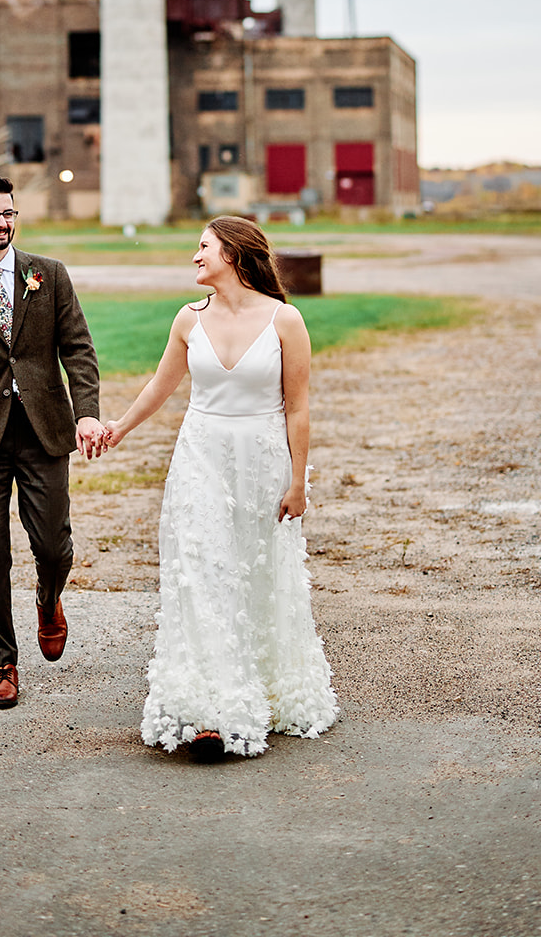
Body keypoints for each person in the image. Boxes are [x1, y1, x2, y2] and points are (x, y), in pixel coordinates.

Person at [104, 216, 338, 759]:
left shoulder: (286, 320)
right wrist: (118, 428)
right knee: (204, 574)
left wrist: (298, 481)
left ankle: (266, 688)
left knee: (255, 575)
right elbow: (161, 385)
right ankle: (210, 709)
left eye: (203, 247)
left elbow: (298, 407)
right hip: (200, 460)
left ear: (232, 253)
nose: (195, 257)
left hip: (260, 462)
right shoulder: (188, 320)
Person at [0, 174, 107, 710]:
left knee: (53, 544)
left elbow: (78, 348)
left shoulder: (48, 275)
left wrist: (88, 415)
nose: (1, 223)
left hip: (45, 431)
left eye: (8, 213)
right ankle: (2, 663)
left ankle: (49, 598)